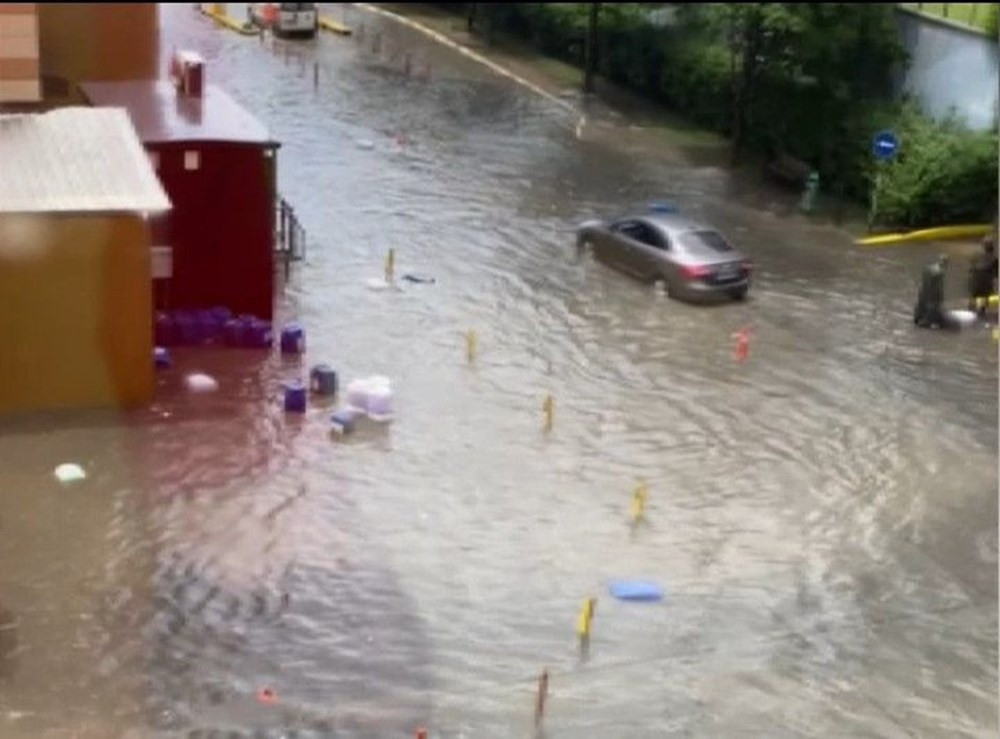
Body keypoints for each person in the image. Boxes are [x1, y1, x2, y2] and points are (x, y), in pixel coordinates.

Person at [914, 254, 948, 329]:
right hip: (931, 291)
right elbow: (938, 287)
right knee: (933, 305)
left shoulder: (929, 267)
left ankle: (919, 317)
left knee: (922, 303)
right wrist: (940, 297)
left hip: (924, 289)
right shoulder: (940, 272)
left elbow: (924, 277)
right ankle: (927, 322)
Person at [967, 235, 998, 316]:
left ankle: (971, 306)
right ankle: (981, 310)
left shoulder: (975, 255)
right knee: (985, 293)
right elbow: (996, 273)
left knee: (974, 293)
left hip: (974, 282)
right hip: (985, 285)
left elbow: (971, 268)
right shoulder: (994, 258)